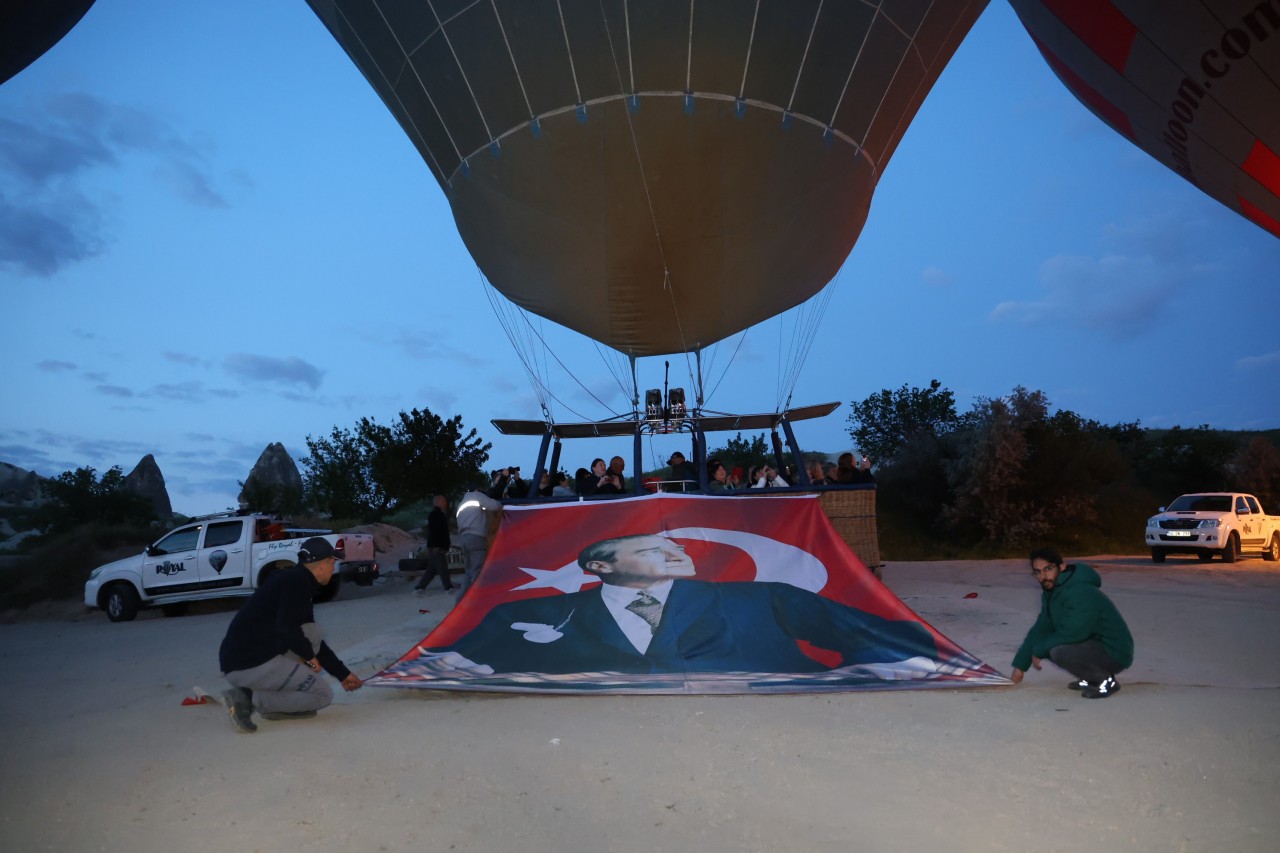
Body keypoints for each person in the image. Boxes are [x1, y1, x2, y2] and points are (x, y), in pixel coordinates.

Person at [431, 533, 936, 674]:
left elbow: (881, 637)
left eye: (678, 547)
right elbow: (457, 660)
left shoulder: (767, 599)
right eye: (655, 550)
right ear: (600, 567)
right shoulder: (528, 614)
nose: (677, 553)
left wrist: (880, 663)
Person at [218, 537, 363, 733]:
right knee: (322, 695)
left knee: (312, 631)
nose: (333, 568)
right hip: (250, 665)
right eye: (332, 563)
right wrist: (310, 659)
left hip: (242, 660)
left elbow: (311, 639)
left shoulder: (293, 581)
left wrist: (342, 674)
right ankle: (247, 698)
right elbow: (286, 628)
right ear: (323, 564)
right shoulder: (297, 584)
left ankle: (272, 702)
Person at [1010, 547, 1134, 699]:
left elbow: (1074, 633)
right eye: (1037, 572)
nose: (1043, 576)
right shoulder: (1052, 592)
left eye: (1047, 569)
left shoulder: (1080, 591)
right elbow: (1041, 628)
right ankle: (1090, 676)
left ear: (1061, 567)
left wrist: (1039, 650)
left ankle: (1105, 681)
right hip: (1093, 645)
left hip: (1114, 652)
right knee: (1048, 644)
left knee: (1058, 650)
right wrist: (1020, 666)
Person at [457, 482, 503, 597]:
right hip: (476, 537)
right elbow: (495, 506)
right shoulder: (477, 496)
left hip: (463, 538)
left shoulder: (461, 503)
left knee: (468, 572)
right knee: (478, 571)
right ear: (477, 489)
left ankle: (461, 600)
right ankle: (475, 600)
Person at [414, 495, 456, 593]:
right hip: (437, 546)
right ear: (438, 502)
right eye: (443, 501)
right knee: (442, 567)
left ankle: (420, 586)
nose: (445, 502)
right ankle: (448, 587)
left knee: (432, 569)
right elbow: (434, 531)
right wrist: (437, 545)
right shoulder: (436, 515)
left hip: (436, 546)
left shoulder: (439, 514)